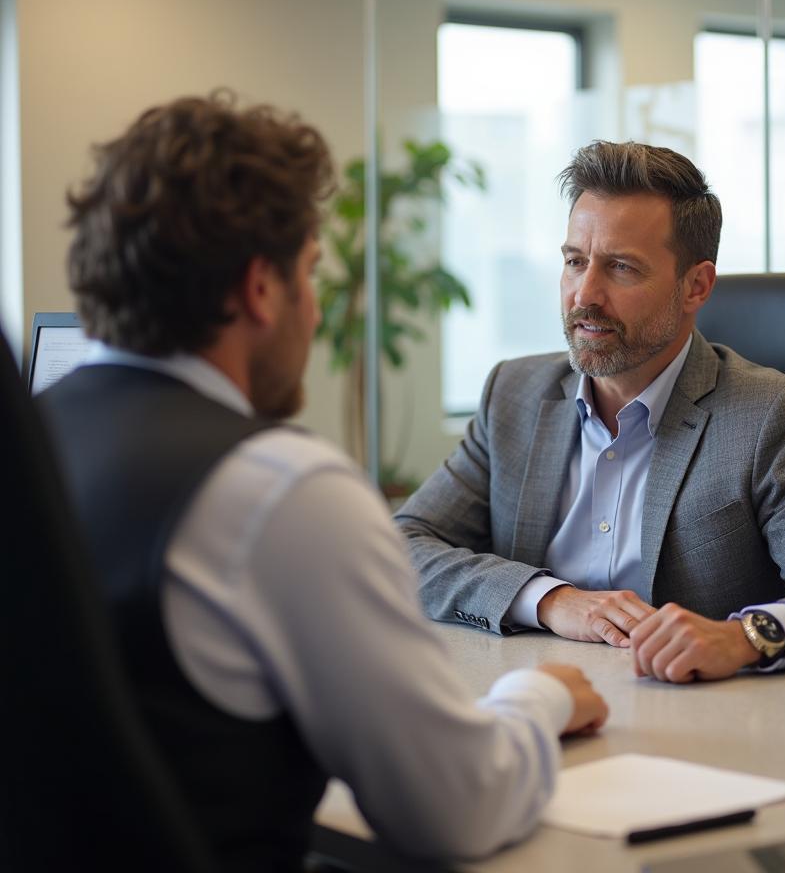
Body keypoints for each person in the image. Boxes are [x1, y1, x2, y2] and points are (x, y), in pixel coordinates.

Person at [37, 92, 608, 873]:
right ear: (260, 290)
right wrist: (540, 699)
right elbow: (456, 805)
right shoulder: (278, 488)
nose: (316, 313)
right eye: (310, 273)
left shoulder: (37, 441)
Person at [397, 139, 785, 684]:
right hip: (540, 701)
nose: (585, 295)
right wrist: (550, 599)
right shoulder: (515, 394)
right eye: (575, 262)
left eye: (621, 268)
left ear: (695, 286)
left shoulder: (769, 416)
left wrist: (743, 636)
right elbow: (402, 547)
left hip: (701, 726)